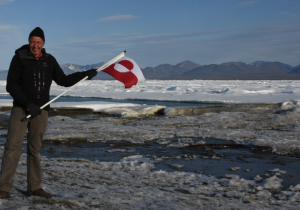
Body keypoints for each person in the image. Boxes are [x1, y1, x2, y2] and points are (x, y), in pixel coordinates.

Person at [0, 27, 98, 199]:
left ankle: (34, 187)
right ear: (29, 42)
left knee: (34, 149)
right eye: (32, 41)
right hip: (21, 109)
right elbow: (11, 85)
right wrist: (27, 104)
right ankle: (3, 188)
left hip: (41, 111)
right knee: (12, 148)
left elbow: (63, 80)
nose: (35, 45)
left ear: (43, 44)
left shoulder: (49, 60)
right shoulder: (19, 58)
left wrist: (84, 75)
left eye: (38, 42)